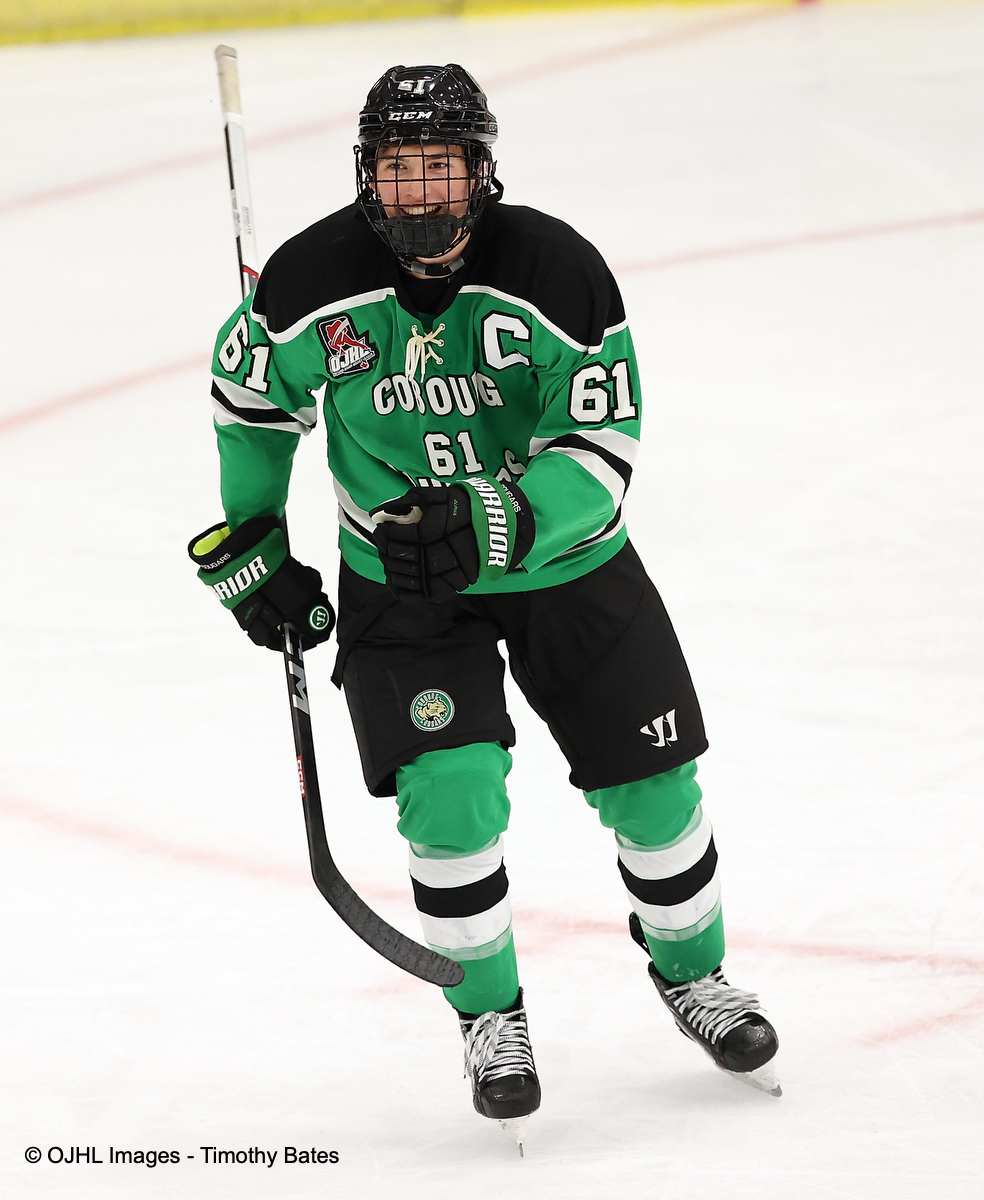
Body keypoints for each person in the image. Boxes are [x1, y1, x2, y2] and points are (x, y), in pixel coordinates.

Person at [189, 63, 780, 1134]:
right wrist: (256, 549)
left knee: (654, 790)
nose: (420, 194)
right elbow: (249, 405)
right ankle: (488, 1014)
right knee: (451, 801)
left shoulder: (560, 270)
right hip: (404, 591)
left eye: (440, 168)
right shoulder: (309, 278)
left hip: (572, 571)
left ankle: (695, 975)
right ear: (370, 179)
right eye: (398, 171)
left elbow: (604, 444)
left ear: (481, 170)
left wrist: (495, 515)